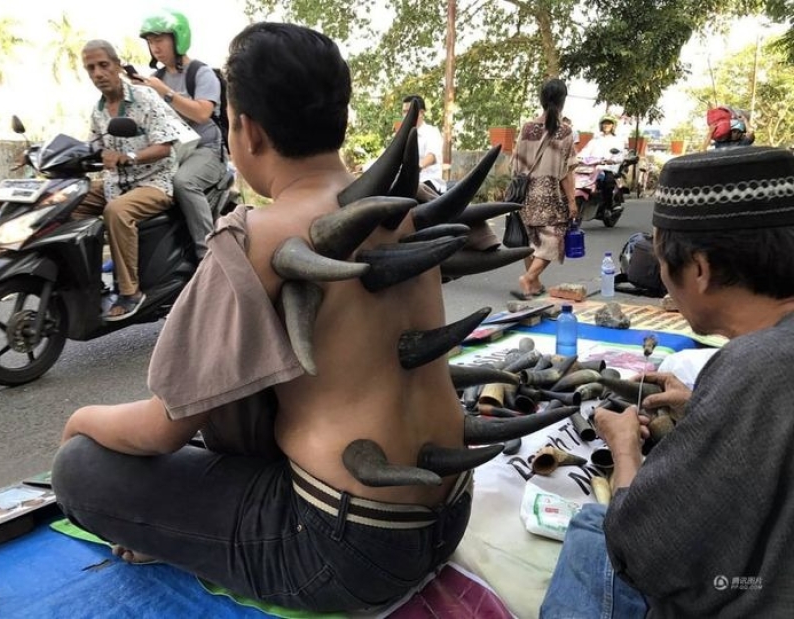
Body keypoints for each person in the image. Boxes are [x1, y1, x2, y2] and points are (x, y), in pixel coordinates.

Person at [52, 23, 502, 613]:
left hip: (338, 552)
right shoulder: (404, 210)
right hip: (448, 516)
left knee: (80, 467)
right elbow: (485, 237)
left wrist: (79, 418)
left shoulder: (254, 235)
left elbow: (165, 428)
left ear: (247, 129)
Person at [540, 146, 794, 618]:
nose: (661, 277)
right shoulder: (765, 363)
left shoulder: (753, 367)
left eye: (661, 259)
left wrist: (624, 453)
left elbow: (644, 552)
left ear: (699, 268)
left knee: (597, 527)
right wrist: (703, 405)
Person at [75, 39, 180, 320]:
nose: (97, 73)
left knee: (117, 211)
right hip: (115, 183)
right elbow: (92, 146)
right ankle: (89, 283)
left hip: (153, 182)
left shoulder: (145, 98)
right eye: (90, 68)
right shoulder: (97, 110)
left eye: (103, 65)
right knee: (70, 202)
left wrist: (129, 157)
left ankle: (130, 291)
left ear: (118, 66)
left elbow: (166, 145)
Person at [134, 9, 228, 261]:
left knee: (184, 183)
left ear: (178, 39)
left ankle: (208, 257)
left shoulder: (201, 73)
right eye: (150, 42)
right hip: (174, 152)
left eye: (160, 40)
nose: (155, 47)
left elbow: (202, 114)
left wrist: (164, 92)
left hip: (206, 151)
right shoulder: (155, 79)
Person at [508, 78, 578, 300]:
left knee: (532, 239)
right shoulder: (565, 132)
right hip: (551, 193)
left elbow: (514, 164)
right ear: (562, 101)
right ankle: (528, 278)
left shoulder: (527, 128)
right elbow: (567, 172)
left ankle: (534, 285)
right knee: (553, 240)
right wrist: (572, 201)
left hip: (526, 193)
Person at [579, 114, 626, 210]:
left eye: (609, 123)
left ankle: (608, 207)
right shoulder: (596, 139)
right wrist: (578, 157)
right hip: (593, 167)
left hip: (608, 167)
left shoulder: (617, 140)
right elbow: (586, 151)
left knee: (608, 183)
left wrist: (612, 160)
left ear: (613, 126)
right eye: (604, 123)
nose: (606, 125)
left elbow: (620, 154)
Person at [401, 94, 446, 193]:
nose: (405, 116)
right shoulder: (402, 136)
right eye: (403, 112)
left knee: (415, 190)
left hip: (427, 182)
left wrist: (417, 167)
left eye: (408, 112)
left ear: (421, 113)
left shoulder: (431, 132)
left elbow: (432, 156)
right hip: (406, 182)